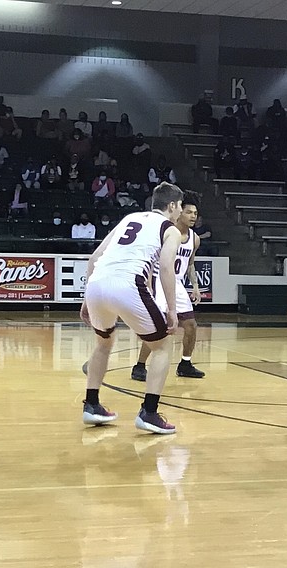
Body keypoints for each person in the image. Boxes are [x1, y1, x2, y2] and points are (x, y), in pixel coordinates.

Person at [80, 181, 185, 435]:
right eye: (180, 206)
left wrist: (86, 299)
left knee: (103, 343)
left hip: (97, 284)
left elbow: (95, 258)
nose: (181, 211)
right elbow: (166, 268)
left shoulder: (130, 218)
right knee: (161, 346)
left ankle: (91, 404)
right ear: (171, 205)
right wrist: (171, 310)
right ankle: (149, 412)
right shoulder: (170, 229)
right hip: (129, 284)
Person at [131, 190, 205, 383]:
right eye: (189, 212)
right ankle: (139, 366)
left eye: (195, 214)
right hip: (158, 280)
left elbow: (189, 264)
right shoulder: (165, 231)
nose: (193, 216)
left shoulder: (194, 239)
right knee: (160, 327)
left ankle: (185, 364)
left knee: (190, 325)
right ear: (179, 212)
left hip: (176, 283)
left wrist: (195, 286)